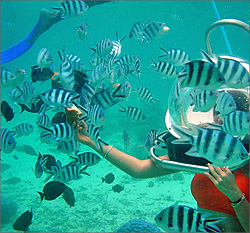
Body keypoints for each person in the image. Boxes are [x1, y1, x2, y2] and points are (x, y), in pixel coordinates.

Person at [65, 106, 249, 232]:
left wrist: (235, 194)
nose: (215, 121)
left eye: (224, 117)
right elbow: (139, 169)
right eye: (216, 115)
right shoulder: (204, 154)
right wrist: (92, 142)